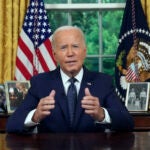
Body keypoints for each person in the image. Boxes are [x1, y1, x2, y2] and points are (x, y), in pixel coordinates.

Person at [6, 26, 134, 133]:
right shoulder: (40, 83)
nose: (70, 53)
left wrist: (102, 114)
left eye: (75, 46)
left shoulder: (102, 82)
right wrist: (36, 116)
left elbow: (128, 122)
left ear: (84, 51)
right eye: (63, 47)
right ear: (54, 54)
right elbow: (12, 125)